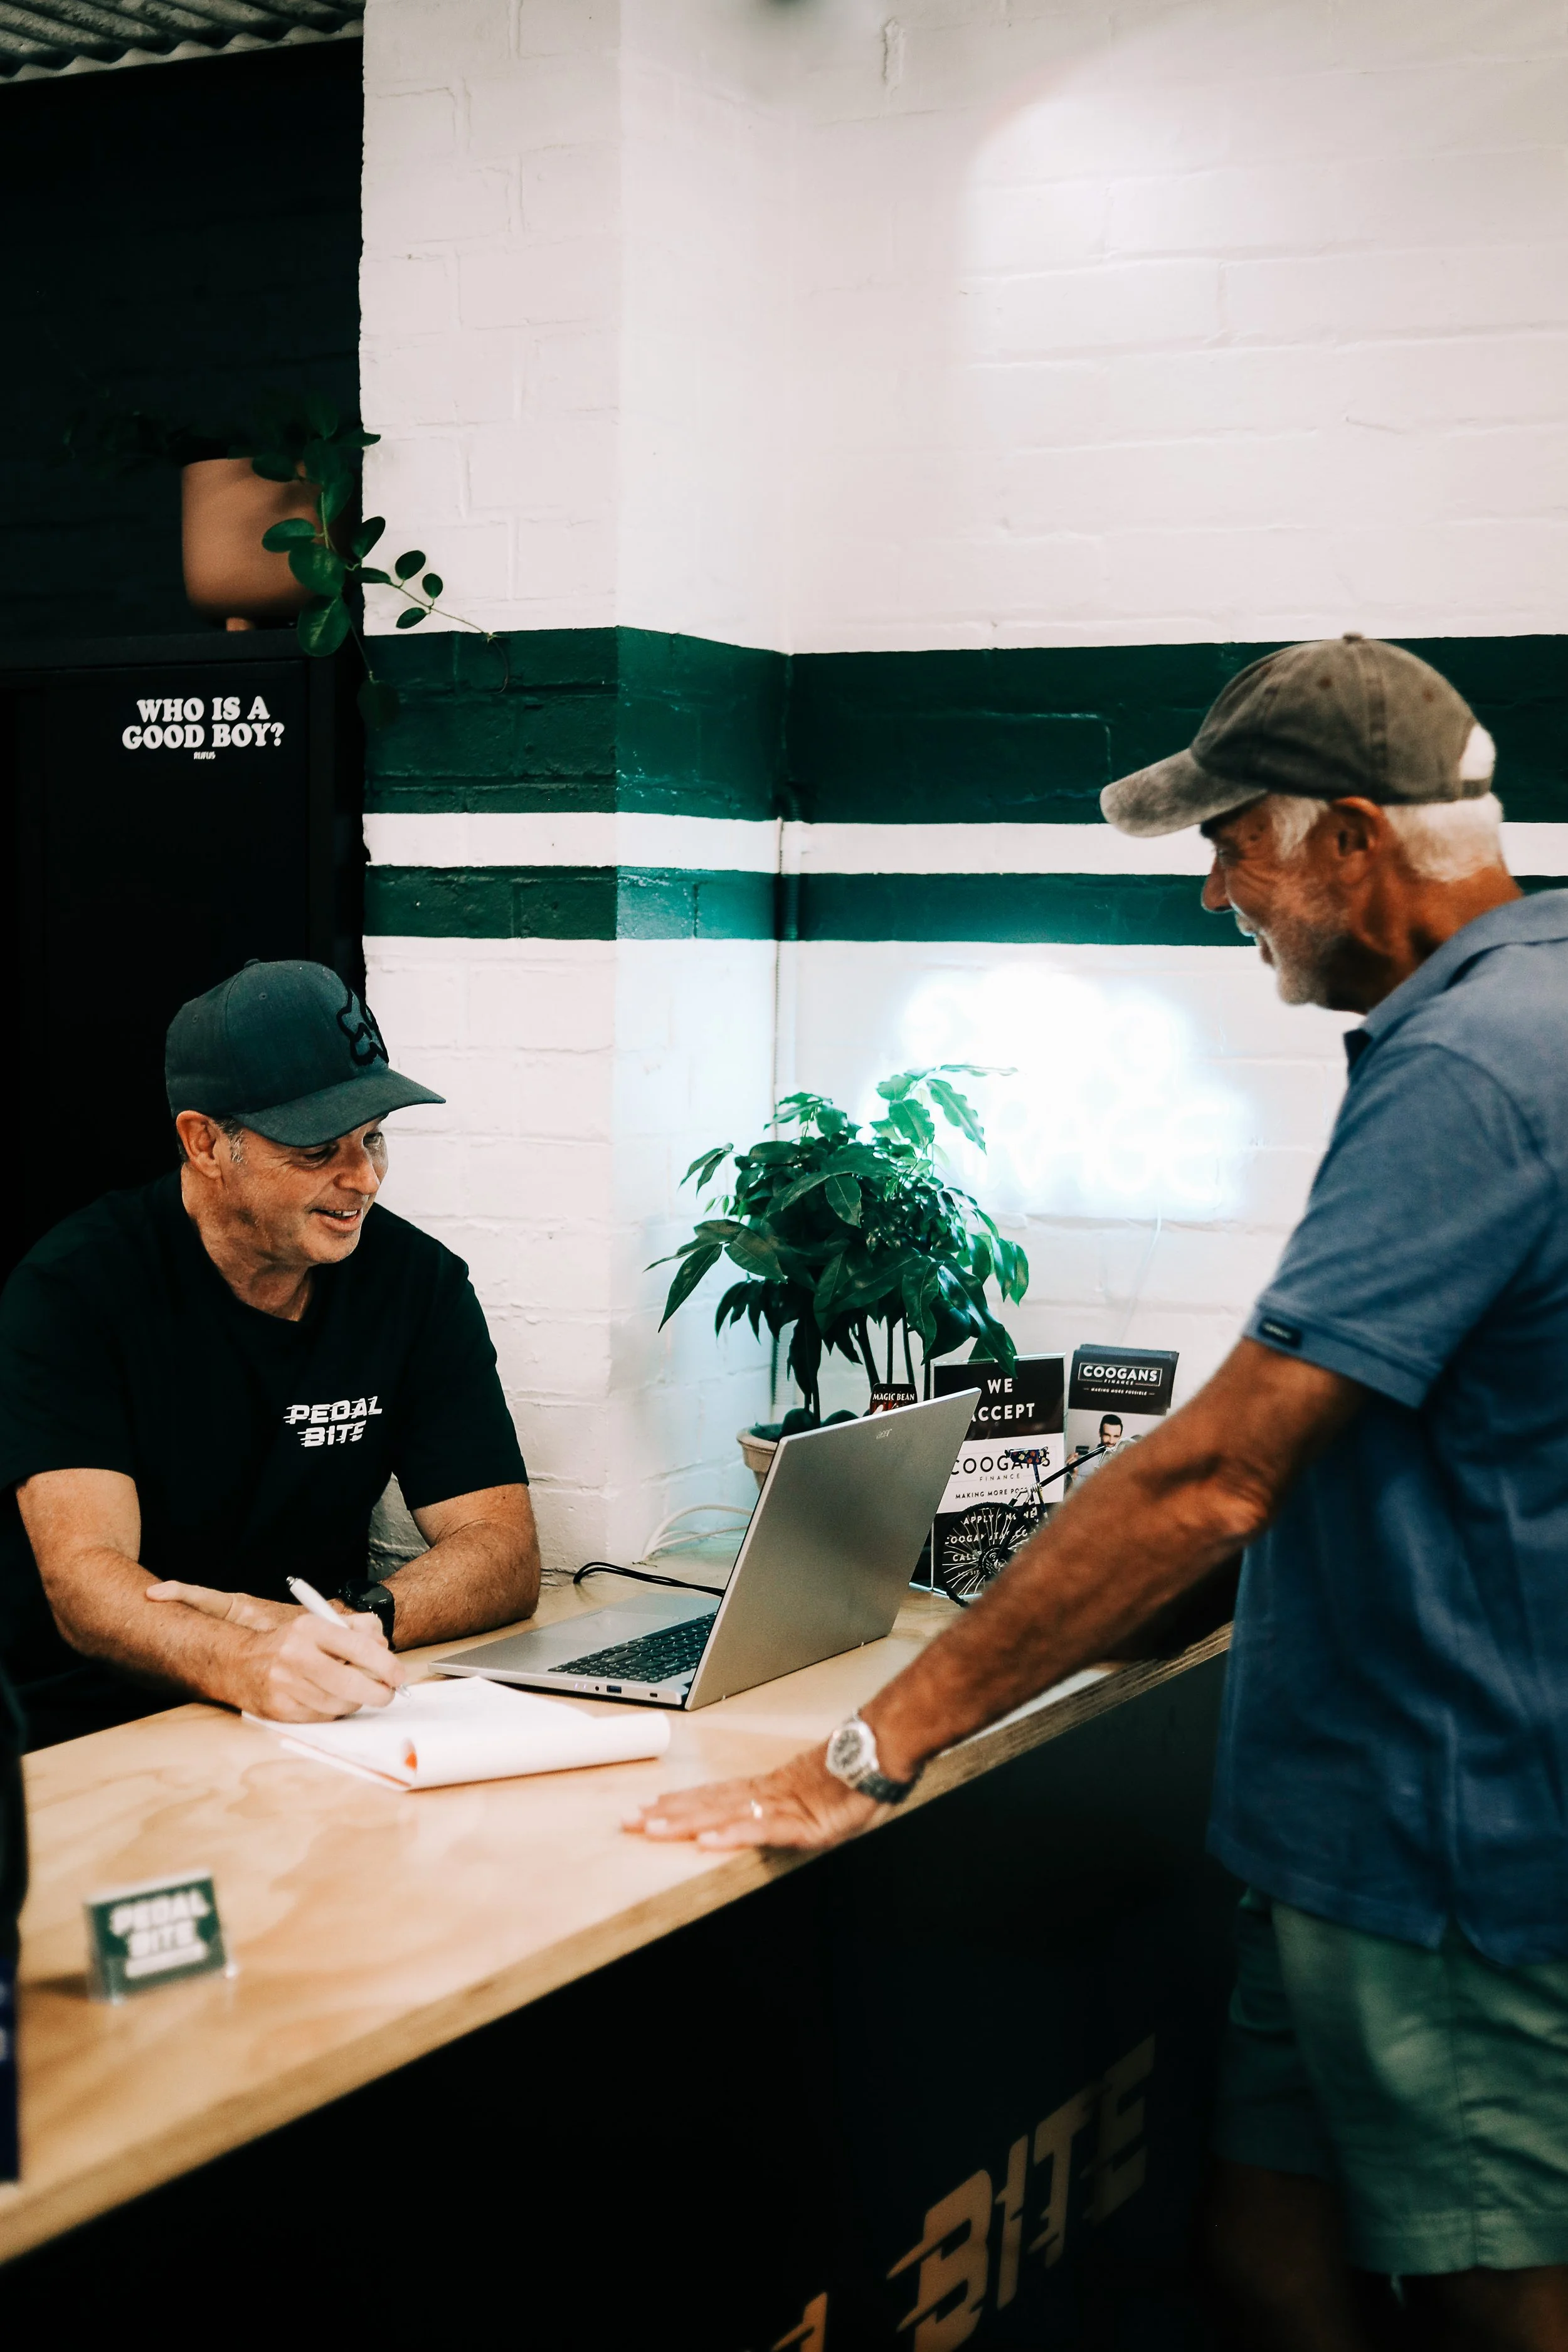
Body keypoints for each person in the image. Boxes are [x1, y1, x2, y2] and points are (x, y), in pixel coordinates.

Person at [630, 634, 1568, 2348]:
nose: (1217, 893)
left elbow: (1218, 1469)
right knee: (1264, 2247)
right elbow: (1327, 1447)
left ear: (1352, 837)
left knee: (1496, 2295)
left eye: (1232, 843)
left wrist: (870, 1742)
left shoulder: (1475, 1064)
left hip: (1443, 1842)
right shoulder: (1516, 998)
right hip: (1337, 1832)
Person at [0, 960, 539, 1749]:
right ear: (206, 1143)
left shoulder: (417, 1283)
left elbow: (504, 1549)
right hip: (96, 1727)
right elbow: (86, 1582)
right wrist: (247, 1658)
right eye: (320, 1149)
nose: (364, 1180)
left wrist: (354, 1625)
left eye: (374, 1139)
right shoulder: (74, 1290)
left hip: (322, 1712)